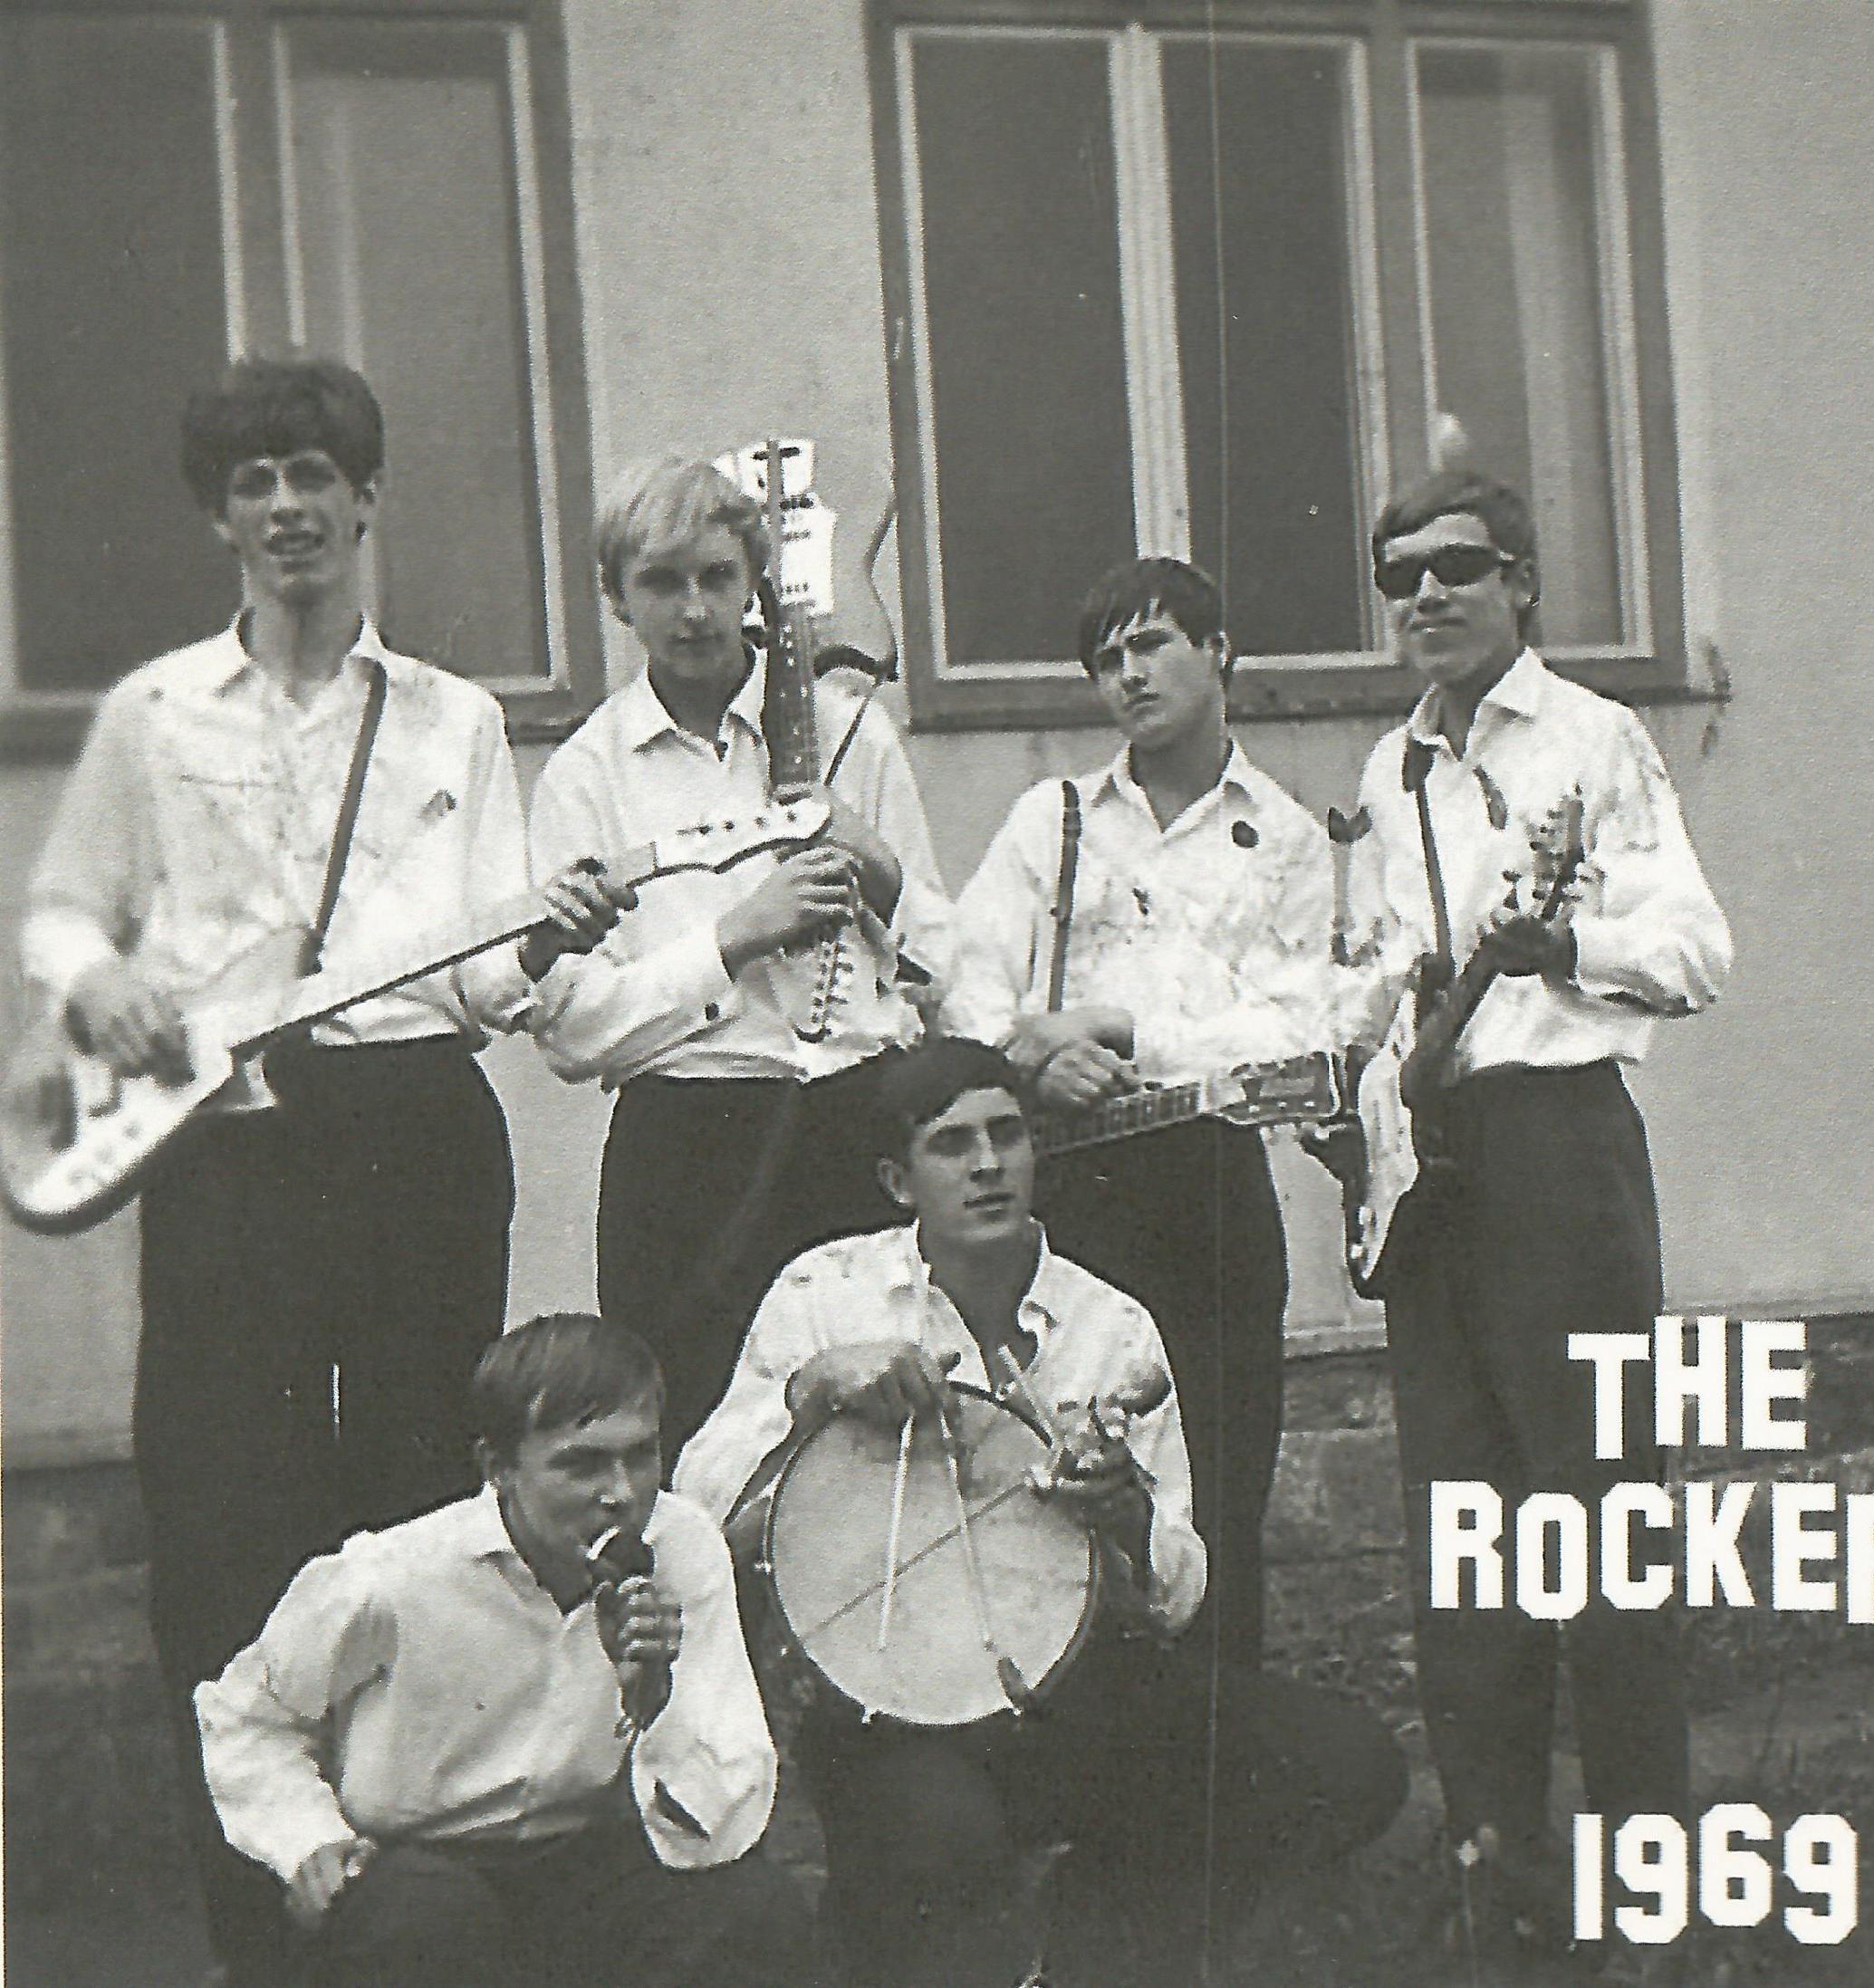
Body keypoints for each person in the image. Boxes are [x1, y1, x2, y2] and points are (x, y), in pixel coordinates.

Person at [18, 356, 624, 1986]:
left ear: (366, 500)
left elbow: (487, 979)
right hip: (230, 1151)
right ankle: (264, 1925)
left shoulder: (454, 718)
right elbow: (64, 908)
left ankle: (423, 1919)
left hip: (416, 1131)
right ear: (220, 516)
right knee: (228, 1517)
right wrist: (100, 980)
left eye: (315, 476)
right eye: (255, 481)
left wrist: (550, 937)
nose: (288, 507)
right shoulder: (155, 715)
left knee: (426, 1512)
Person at [676, 1037, 1405, 1988]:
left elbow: (1179, 1591)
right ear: (898, 1180)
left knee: (1352, 1766)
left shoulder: (1111, 1322)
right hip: (888, 1699)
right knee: (943, 1849)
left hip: (1075, 1684)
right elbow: (701, 1505)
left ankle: (1096, 1932)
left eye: (1007, 1135)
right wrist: (810, 1391)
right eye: (952, 1144)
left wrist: (1128, 1514)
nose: (987, 1164)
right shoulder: (825, 1292)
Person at [1343, 467, 1733, 1967]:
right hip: (1433, 1176)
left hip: (1560, 1162)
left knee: (1603, 1536)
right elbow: (1381, 980)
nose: (1428, 596)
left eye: (1458, 566)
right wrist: (1355, 1106)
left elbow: (1693, 948)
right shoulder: (1392, 771)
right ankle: (1498, 1887)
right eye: (1401, 577)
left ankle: (1651, 1900)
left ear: (1522, 582)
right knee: (1467, 1556)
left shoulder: (1596, 739)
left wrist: (1562, 942)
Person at [942, 557, 1336, 1671]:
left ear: (1220, 652)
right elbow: (968, 980)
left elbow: (1294, 1029)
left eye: (1152, 643)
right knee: (1058, 1484)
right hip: (1072, 1189)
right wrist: (1032, 1060)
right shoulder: (1054, 819)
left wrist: (1115, 1028)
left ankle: (1218, 1755)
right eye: (1107, 658)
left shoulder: (1286, 837)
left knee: (1216, 1486)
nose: (1129, 674)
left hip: (1208, 1189)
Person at [528, 454, 950, 1461]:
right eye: (662, 582)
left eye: (718, 576)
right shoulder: (588, 773)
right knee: (697, 1444)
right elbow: (569, 1028)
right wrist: (731, 939)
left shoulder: (849, 734)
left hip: (857, 1126)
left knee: (879, 1445)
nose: (694, 610)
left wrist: (879, 871)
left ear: (756, 580)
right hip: (691, 1148)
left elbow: (948, 962)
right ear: (617, 599)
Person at [195, 1312, 809, 1988]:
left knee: (754, 1911)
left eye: (640, 1455)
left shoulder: (681, 1545)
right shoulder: (394, 1575)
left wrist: (655, 1701)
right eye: (581, 1464)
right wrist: (310, 1842)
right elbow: (246, 1717)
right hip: (422, 1862)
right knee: (428, 1921)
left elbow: (721, 1818)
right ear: (500, 1468)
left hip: (585, 1857)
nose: (623, 1493)